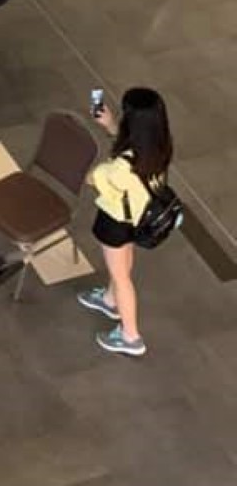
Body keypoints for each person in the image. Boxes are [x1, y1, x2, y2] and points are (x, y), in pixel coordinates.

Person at [77, 88, 173, 357]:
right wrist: (110, 126)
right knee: (124, 259)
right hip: (139, 216)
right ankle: (109, 300)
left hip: (116, 222)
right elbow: (132, 149)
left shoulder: (119, 168)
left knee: (121, 277)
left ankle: (131, 336)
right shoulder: (160, 145)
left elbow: (90, 178)